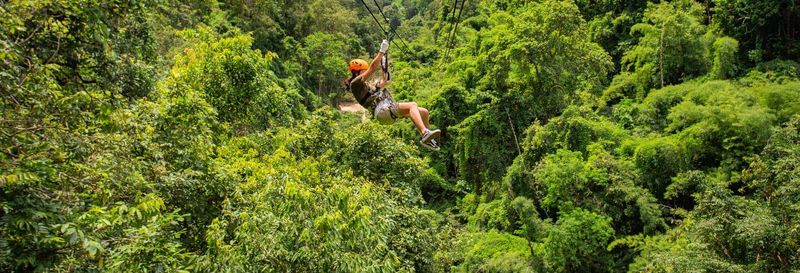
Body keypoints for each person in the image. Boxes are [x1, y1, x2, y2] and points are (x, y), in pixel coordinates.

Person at [344, 39, 441, 151]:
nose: (365, 73)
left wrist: (384, 72)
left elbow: (382, 83)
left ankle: (427, 138)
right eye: (363, 71)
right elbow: (372, 68)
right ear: (357, 72)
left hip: (385, 111)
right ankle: (425, 133)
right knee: (412, 105)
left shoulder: (367, 87)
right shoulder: (355, 84)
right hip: (383, 111)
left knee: (424, 112)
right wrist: (381, 51)